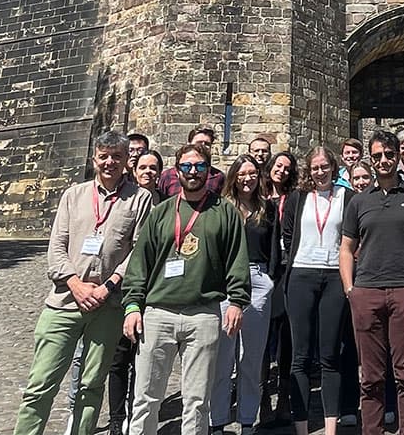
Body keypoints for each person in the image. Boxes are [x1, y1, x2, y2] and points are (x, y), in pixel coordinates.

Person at [13, 132, 153, 435]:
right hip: (64, 301)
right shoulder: (73, 196)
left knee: (91, 386)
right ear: (94, 160)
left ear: (126, 161)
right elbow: (56, 247)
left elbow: (140, 251)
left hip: (108, 304)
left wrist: (109, 286)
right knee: (41, 383)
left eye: (116, 156)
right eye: (104, 156)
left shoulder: (140, 199)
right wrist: (75, 283)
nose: (109, 162)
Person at [122, 143, 251, 435]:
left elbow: (237, 260)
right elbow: (140, 263)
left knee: (196, 401)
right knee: (145, 398)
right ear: (177, 170)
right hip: (157, 313)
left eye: (200, 166)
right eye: (187, 166)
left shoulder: (225, 213)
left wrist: (237, 301)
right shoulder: (161, 212)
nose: (193, 172)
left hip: (203, 314)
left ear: (209, 169)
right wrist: (132, 306)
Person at [340, 130, 404, 435]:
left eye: (389, 155)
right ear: (371, 159)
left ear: (398, 156)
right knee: (370, 376)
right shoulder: (358, 201)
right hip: (367, 292)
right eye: (378, 155)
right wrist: (350, 289)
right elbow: (345, 247)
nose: (384, 160)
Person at [282, 147, 352, 435]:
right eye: (315, 167)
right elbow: (288, 233)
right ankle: (301, 427)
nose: (320, 172)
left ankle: (330, 428)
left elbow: (352, 235)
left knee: (329, 355)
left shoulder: (347, 197)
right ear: (308, 170)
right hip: (301, 273)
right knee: (300, 356)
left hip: (334, 277)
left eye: (324, 166)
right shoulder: (298, 199)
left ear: (333, 168)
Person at [211, 156, 281, 435]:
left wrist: (270, 279)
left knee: (251, 358)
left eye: (252, 173)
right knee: (221, 358)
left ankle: (247, 419)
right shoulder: (220, 207)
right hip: (225, 281)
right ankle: (217, 420)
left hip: (257, 278)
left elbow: (274, 245)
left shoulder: (267, 208)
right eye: (242, 173)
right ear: (233, 176)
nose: (248, 178)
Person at [105, 149, 166, 435]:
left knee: (144, 359)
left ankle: (136, 413)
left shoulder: (167, 205)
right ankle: (117, 418)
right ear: (135, 170)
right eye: (143, 167)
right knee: (119, 359)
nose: (148, 172)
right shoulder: (123, 200)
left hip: (153, 291)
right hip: (123, 288)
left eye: (153, 168)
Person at [259, 150, 298, 424]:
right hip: (262, 271)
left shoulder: (294, 198)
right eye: (278, 165)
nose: (281, 170)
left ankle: (284, 398)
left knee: (287, 337)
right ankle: (261, 400)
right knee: (261, 339)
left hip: (288, 271)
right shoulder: (258, 198)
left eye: (287, 167)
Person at [158, 125, 225, 196]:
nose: (203, 146)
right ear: (189, 144)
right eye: (199, 142)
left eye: (207, 144)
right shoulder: (168, 176)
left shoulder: (218, 177)